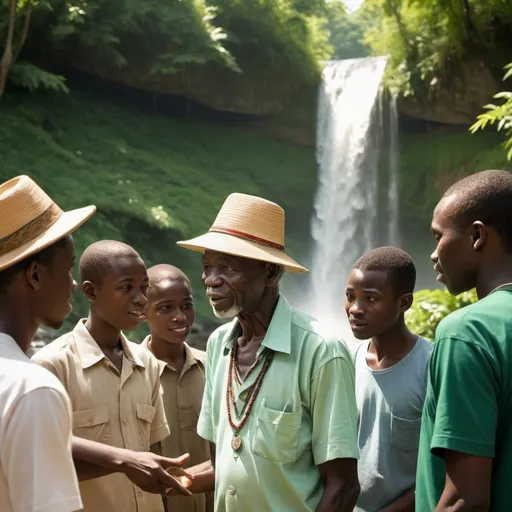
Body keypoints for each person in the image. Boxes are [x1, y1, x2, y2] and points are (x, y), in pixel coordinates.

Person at [175, 192, 360, 511]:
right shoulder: (219, 344)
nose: (209, 281)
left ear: (271, 273)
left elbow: (343, 486)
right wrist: (166, 476)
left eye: (227, 268)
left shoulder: (321, 351)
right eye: (207, 267)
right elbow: (224, 461)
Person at [32, 240, 180, 512]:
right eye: (126, 287)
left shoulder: (147, 363)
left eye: (144, 287)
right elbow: (40, 462)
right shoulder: (52, 366)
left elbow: (153, 451)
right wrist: (123, 463)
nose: (141, 298)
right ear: (90, 292)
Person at [415, 169, 512, 511]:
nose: (433, 253)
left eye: (438, 236)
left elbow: (464, 501)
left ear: (476, 236)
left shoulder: (468, 332)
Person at [345, 247, 433, 512]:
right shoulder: (347, 362)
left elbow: (441, 467)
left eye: (370, 299)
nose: (355, 309)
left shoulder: (432, 365)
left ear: (404, 302)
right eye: (350, 297)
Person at [143, 264, 213, 512]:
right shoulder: (132, 374)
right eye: (165, 308)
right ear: (143, 311)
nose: (180, 316)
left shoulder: (214, 367)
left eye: (186, 305)